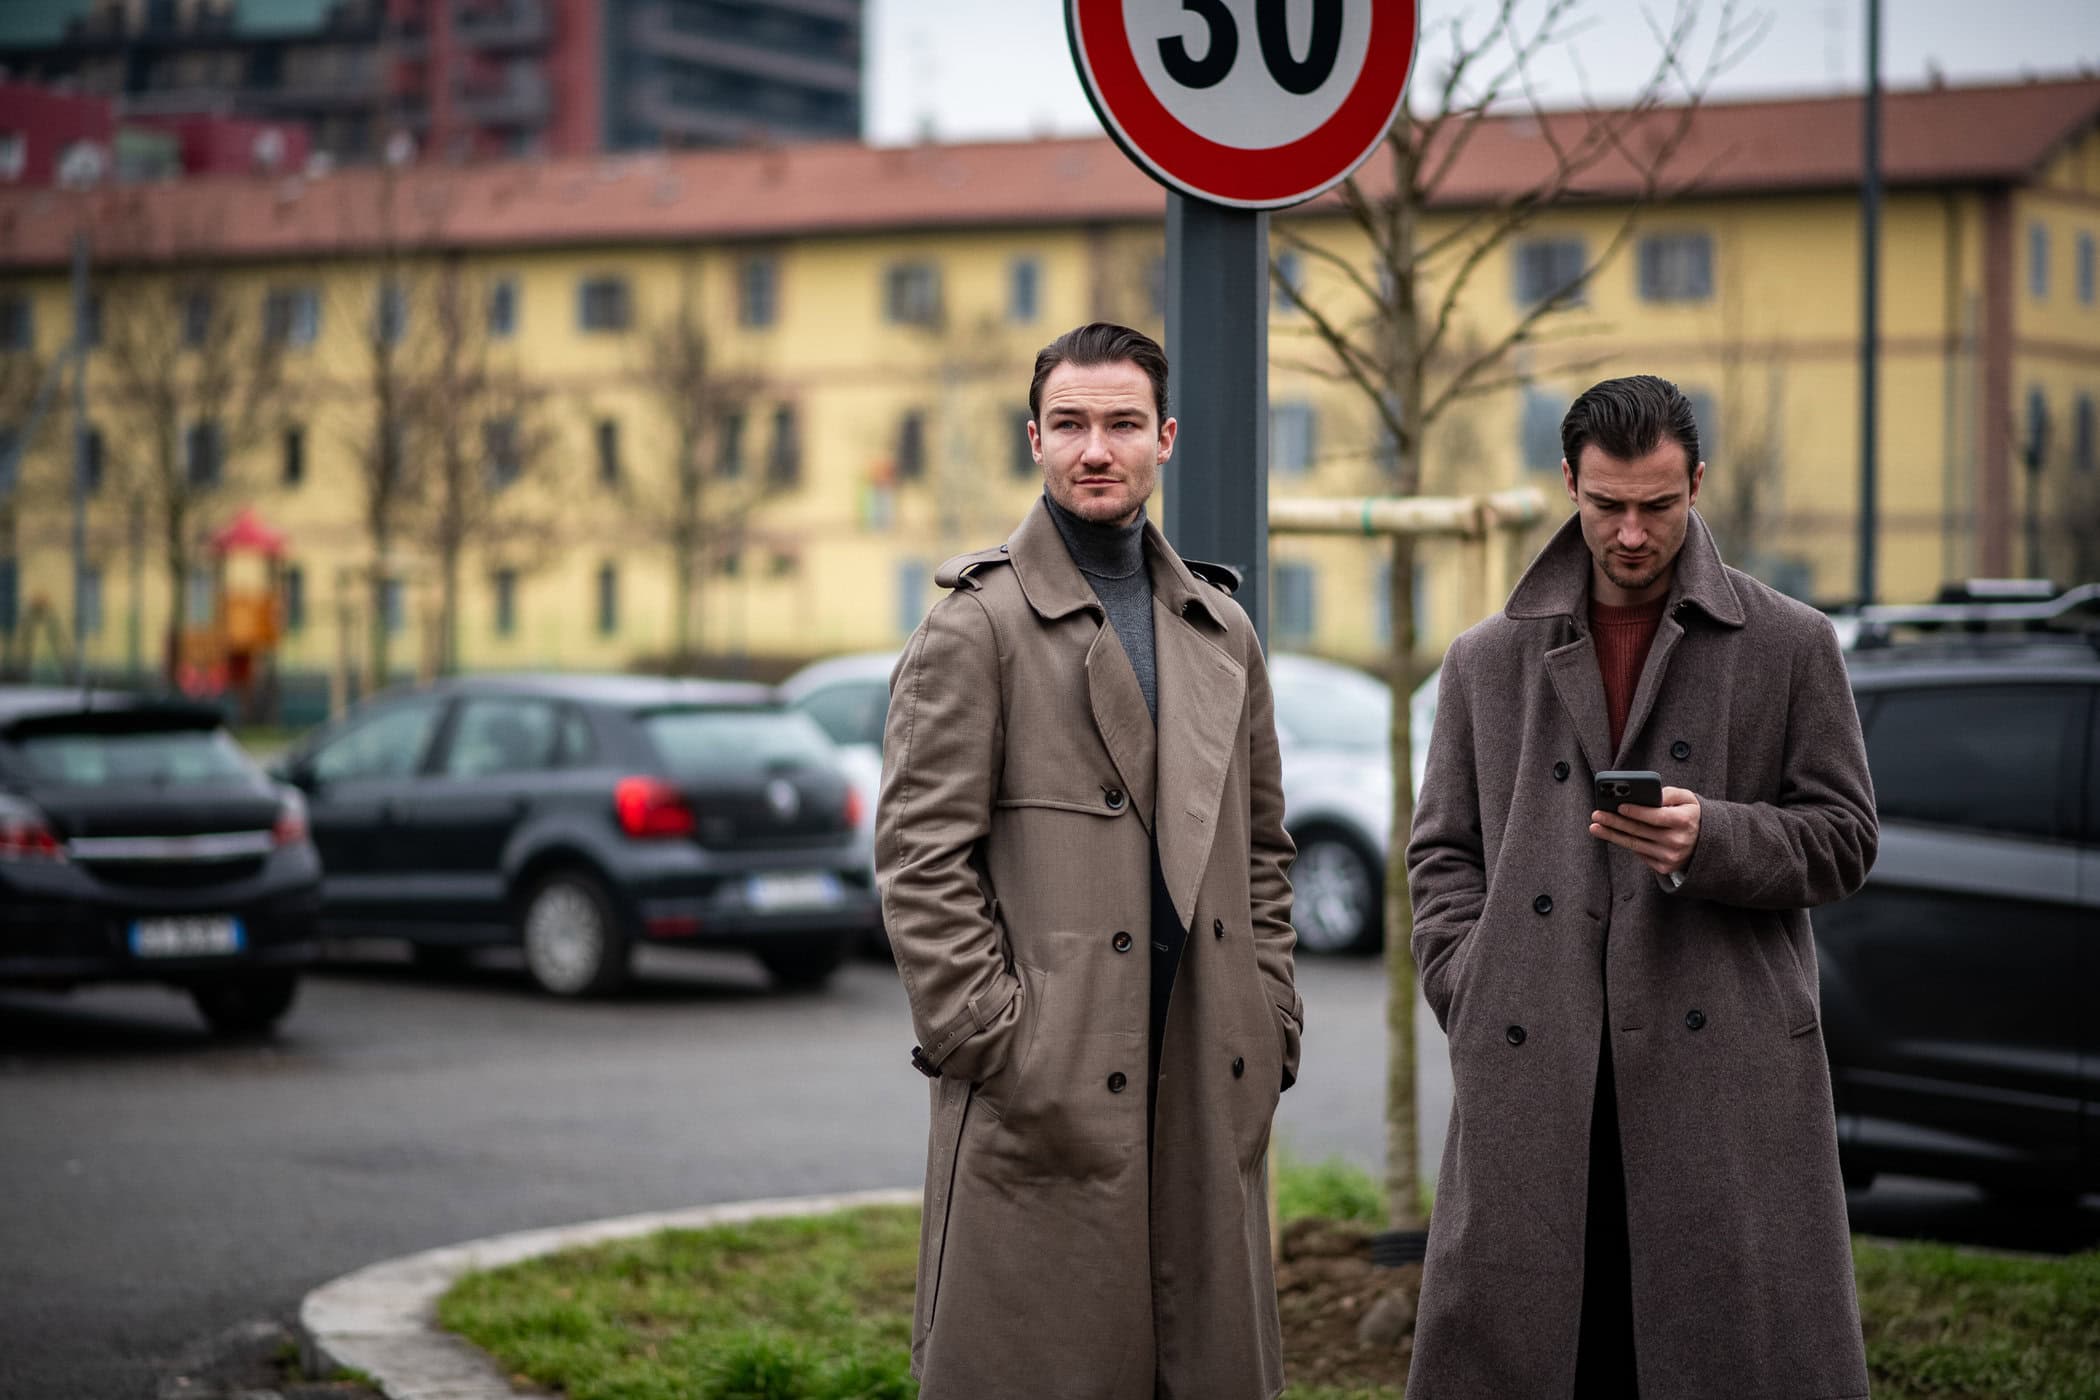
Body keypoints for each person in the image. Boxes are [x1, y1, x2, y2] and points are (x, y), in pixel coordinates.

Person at [1405, 374, 1878, 1398]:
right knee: (1547, 1350)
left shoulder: (1792, 643)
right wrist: (1471, 978)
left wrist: (1713, 834)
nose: (1629, 532)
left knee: (1713, 1354)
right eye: (1606, 503)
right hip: (1539, 1065)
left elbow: (1845, 839)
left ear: (1697, 484)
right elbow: (1443, 854)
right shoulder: (1486, 660)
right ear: (1568, 482)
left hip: (1723, 1080)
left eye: (1658, 505)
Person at [876, 322, 1302, 1399]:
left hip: (1207, 1069)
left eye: (1120, 423)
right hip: (1045, 1083)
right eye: (1070, 423)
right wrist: (991, 1036)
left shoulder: (1221, 630)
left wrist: (1270, 1015)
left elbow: (1263, 853)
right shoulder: (974, 626)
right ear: (1035, 439)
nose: (1095, 448)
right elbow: (921, 860)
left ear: (1164, 438)